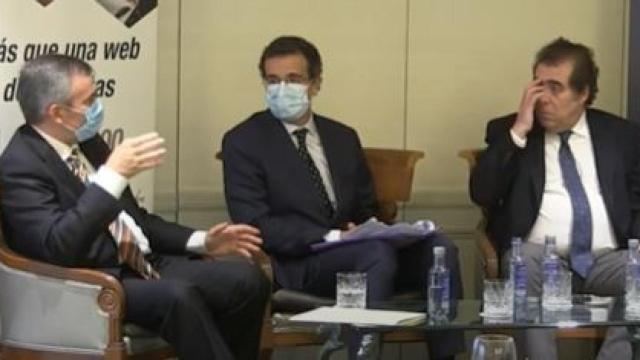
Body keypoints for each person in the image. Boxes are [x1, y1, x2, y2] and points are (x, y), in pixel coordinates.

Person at [0, 54, 270, 360]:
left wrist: (202, 241)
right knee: (178, 296)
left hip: (140, 261)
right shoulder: (20, 164)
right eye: (89, 100)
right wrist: (111, 177)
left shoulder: (88, 144)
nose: (98, 107)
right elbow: (58, 245)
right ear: (58, 113)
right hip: (92, 280)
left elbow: (135, 220)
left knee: (247, 281)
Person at [222, 35, 464, 360]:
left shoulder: (342, 137)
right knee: (375, 254)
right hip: (297, 262)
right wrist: (333, 236)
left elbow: (364, 207)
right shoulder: (243, 141)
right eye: (273, 80)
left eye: (293, 79)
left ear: (316, 83)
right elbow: (254, 223)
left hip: (360, 250)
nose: (282, 89)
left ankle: (447, 356)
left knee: (439, 247)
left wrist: (376, 229)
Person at [470, 37, 640, 360]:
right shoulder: (510, 130)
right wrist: (519, 130)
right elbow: (482, 193)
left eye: (555, 88)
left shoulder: (621, 136)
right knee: (523, 263)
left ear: (583, 93)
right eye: (539, 86)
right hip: (539, 259)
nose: (544, 99)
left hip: (606, 261)